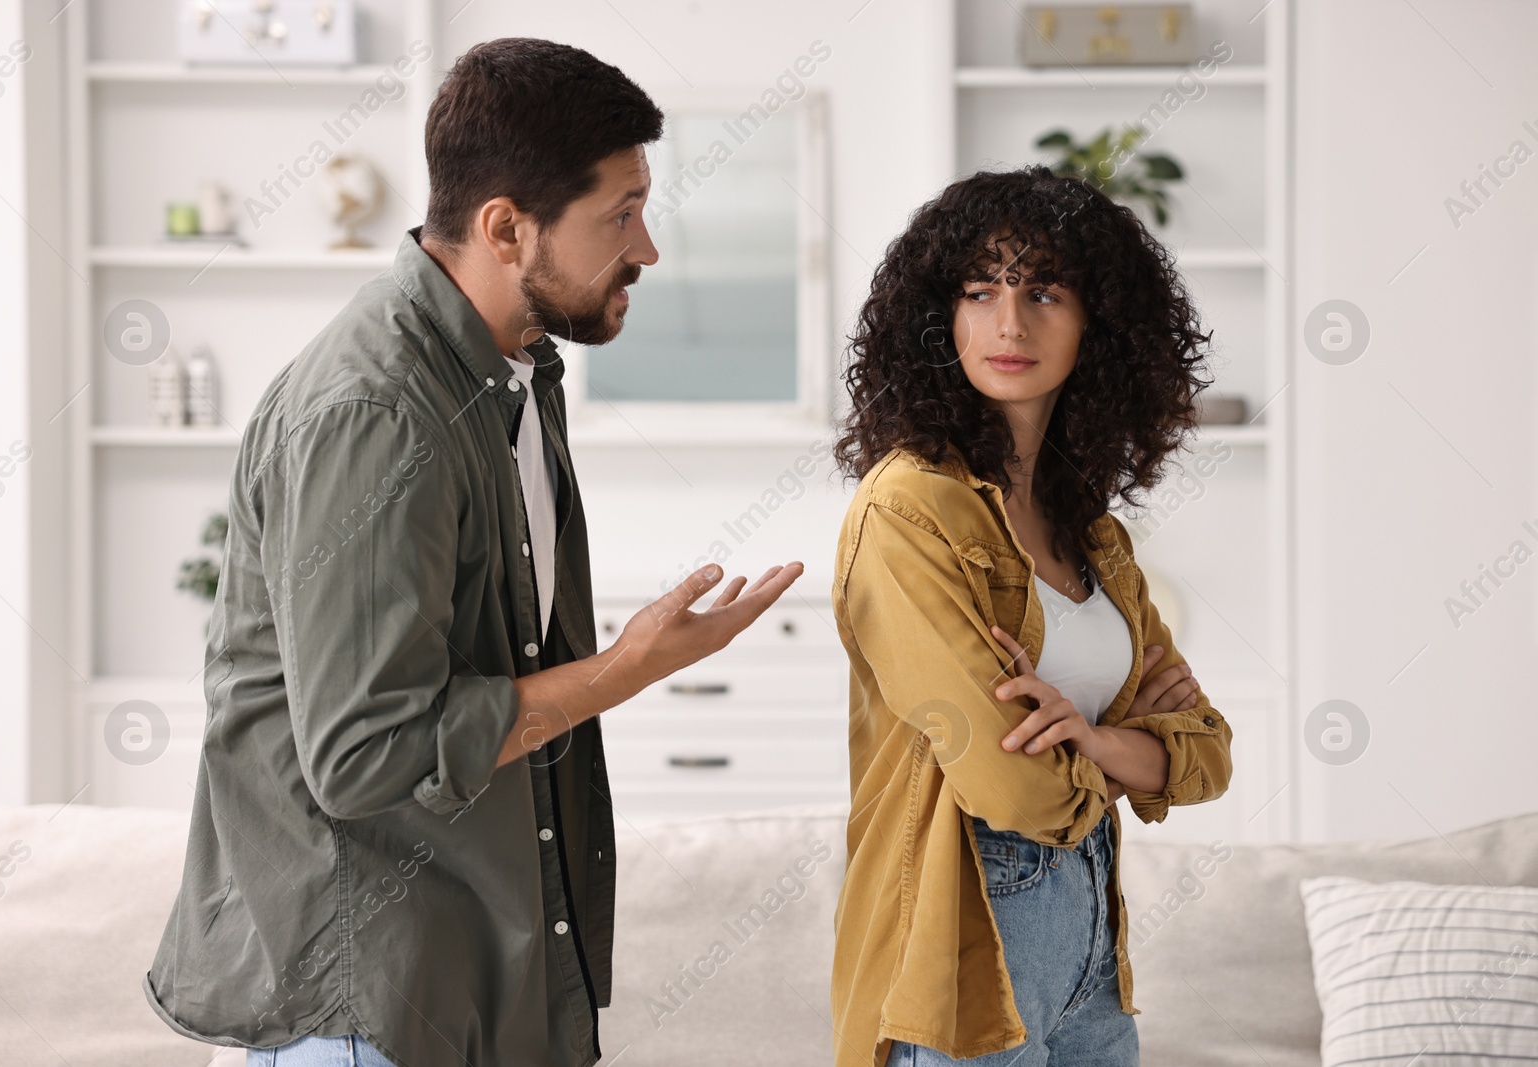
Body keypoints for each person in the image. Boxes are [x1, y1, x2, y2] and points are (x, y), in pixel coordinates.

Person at [143, 38, 803, 1067]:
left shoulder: (517, 372)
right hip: (363, 1008)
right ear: (505, 226)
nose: (648, 247)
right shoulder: (374, 415)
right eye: (619, 213)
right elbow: (367, 753)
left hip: (469, 991)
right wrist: (625, 669)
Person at [827, 165, 1235, 1067]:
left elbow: (1208, 750)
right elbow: (1009, 784)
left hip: (1092, 950)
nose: (1010, 324)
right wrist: (1134, 748)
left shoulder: (1093, 530)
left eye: (1045, 291)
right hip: (966, 955)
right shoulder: (908, 510)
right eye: (980, 291)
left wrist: (1092, 741)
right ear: (942, 317)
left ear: (1099, 324)